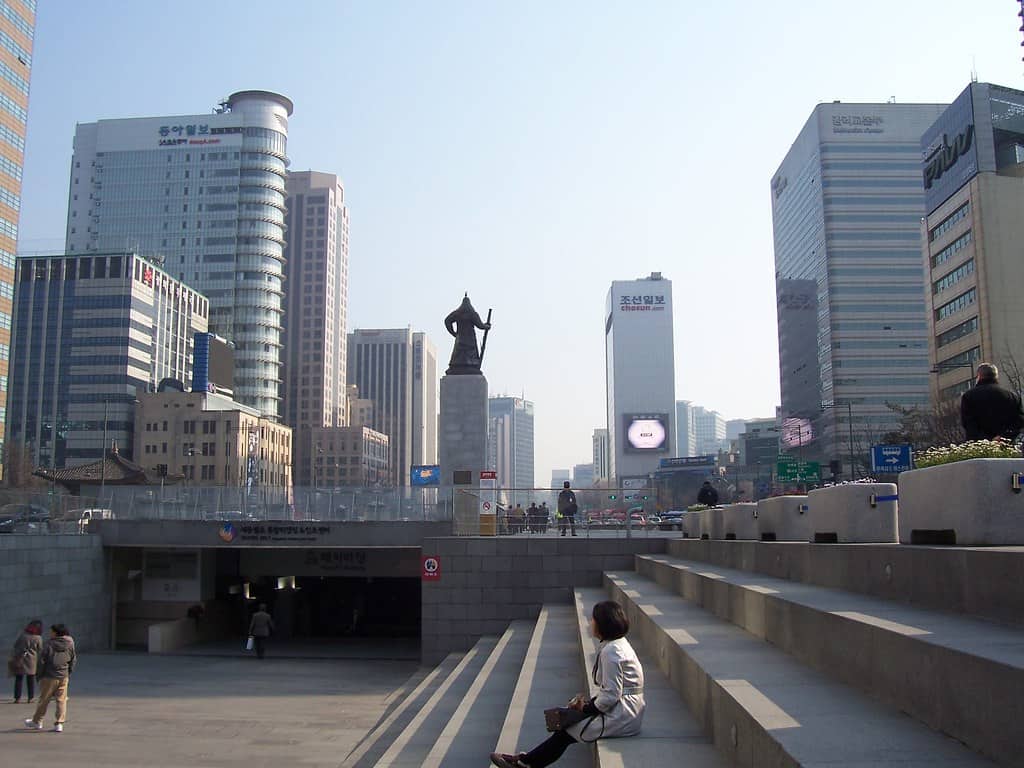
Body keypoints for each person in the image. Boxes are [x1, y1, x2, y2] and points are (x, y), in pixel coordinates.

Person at [490, 600, 645, 768]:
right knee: (566, 724)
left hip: (622, 715)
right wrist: (587, 706)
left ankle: (525, 763)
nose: (591, 623)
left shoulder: (611, 651)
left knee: (566, 731)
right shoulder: (617, 645)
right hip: (626, 710)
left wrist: (585, 709)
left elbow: (612, 694)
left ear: (603, 624)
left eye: (594, 619)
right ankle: (526, 761)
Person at [24, 623, 75, 733]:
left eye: (51, 631)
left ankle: (37, 721)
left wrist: (39, 675)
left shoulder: (49, 644)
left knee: (44, 700)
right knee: (61, 700)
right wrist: (68, 672)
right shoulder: (70, 643)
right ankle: (59, 723)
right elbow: (73, 659)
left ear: (56, 633)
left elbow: (42, 661)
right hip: (63, 675)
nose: (49, 633)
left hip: (49, 676)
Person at [960, 363, 1024, 441]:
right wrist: (1003, 437)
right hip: (1006, 446)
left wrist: (985, 440)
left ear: (979, 376)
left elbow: (968, 424)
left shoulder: (969, 396)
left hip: (978, 447)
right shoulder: (1012, 397)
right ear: (996, 376)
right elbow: (1018, 422)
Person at [9, 619, 42, 703]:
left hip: (21, 659)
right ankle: (30, 698)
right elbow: (40, 649)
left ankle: (17, 698)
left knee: (19, 679)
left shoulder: (23, 635)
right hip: (31, 661)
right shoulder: (38, 638)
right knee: (30, 680)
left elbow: (15, 645)